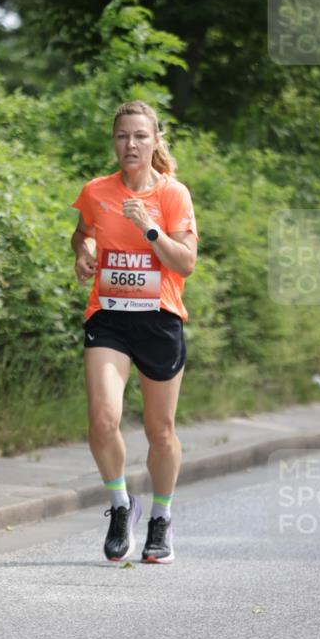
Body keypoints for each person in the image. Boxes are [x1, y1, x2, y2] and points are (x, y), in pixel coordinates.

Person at [70, 100, 198, 563]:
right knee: (103, 419)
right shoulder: (96, 191)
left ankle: (161, 518)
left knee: (159, 431)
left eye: (141, 136)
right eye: (123, 136)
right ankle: (121, 505)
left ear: (155, 141)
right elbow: (83, 231)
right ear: (114, 141)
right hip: (109, 316)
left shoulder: (172, 195)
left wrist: (150, 231)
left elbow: (186, 263)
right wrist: (83, 251)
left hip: (159, 319)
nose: (131, 144)